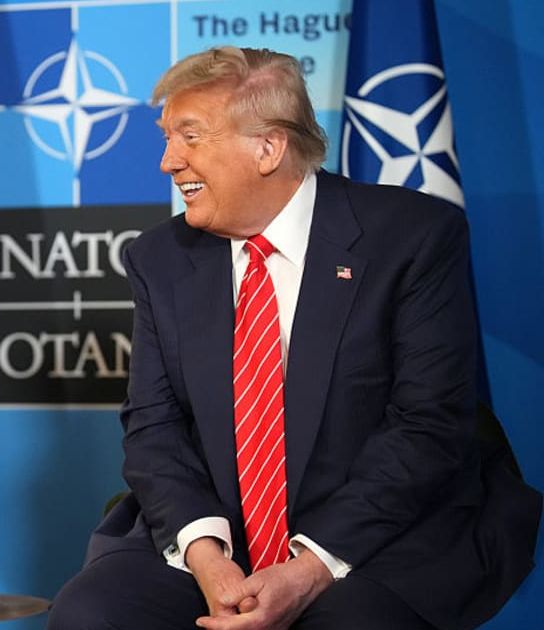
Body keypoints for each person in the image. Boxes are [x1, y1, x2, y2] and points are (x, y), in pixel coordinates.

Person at [48, 46, 539, 630]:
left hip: (374, 537)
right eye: (167, 138)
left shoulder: (411, 238)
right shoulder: (160, 257)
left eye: (190, 137)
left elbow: (427, 426)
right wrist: (208, 561)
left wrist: (309, 568)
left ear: (268, 147)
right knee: (91, 615)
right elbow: (154, 427)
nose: (168, 162)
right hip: (216, 535)